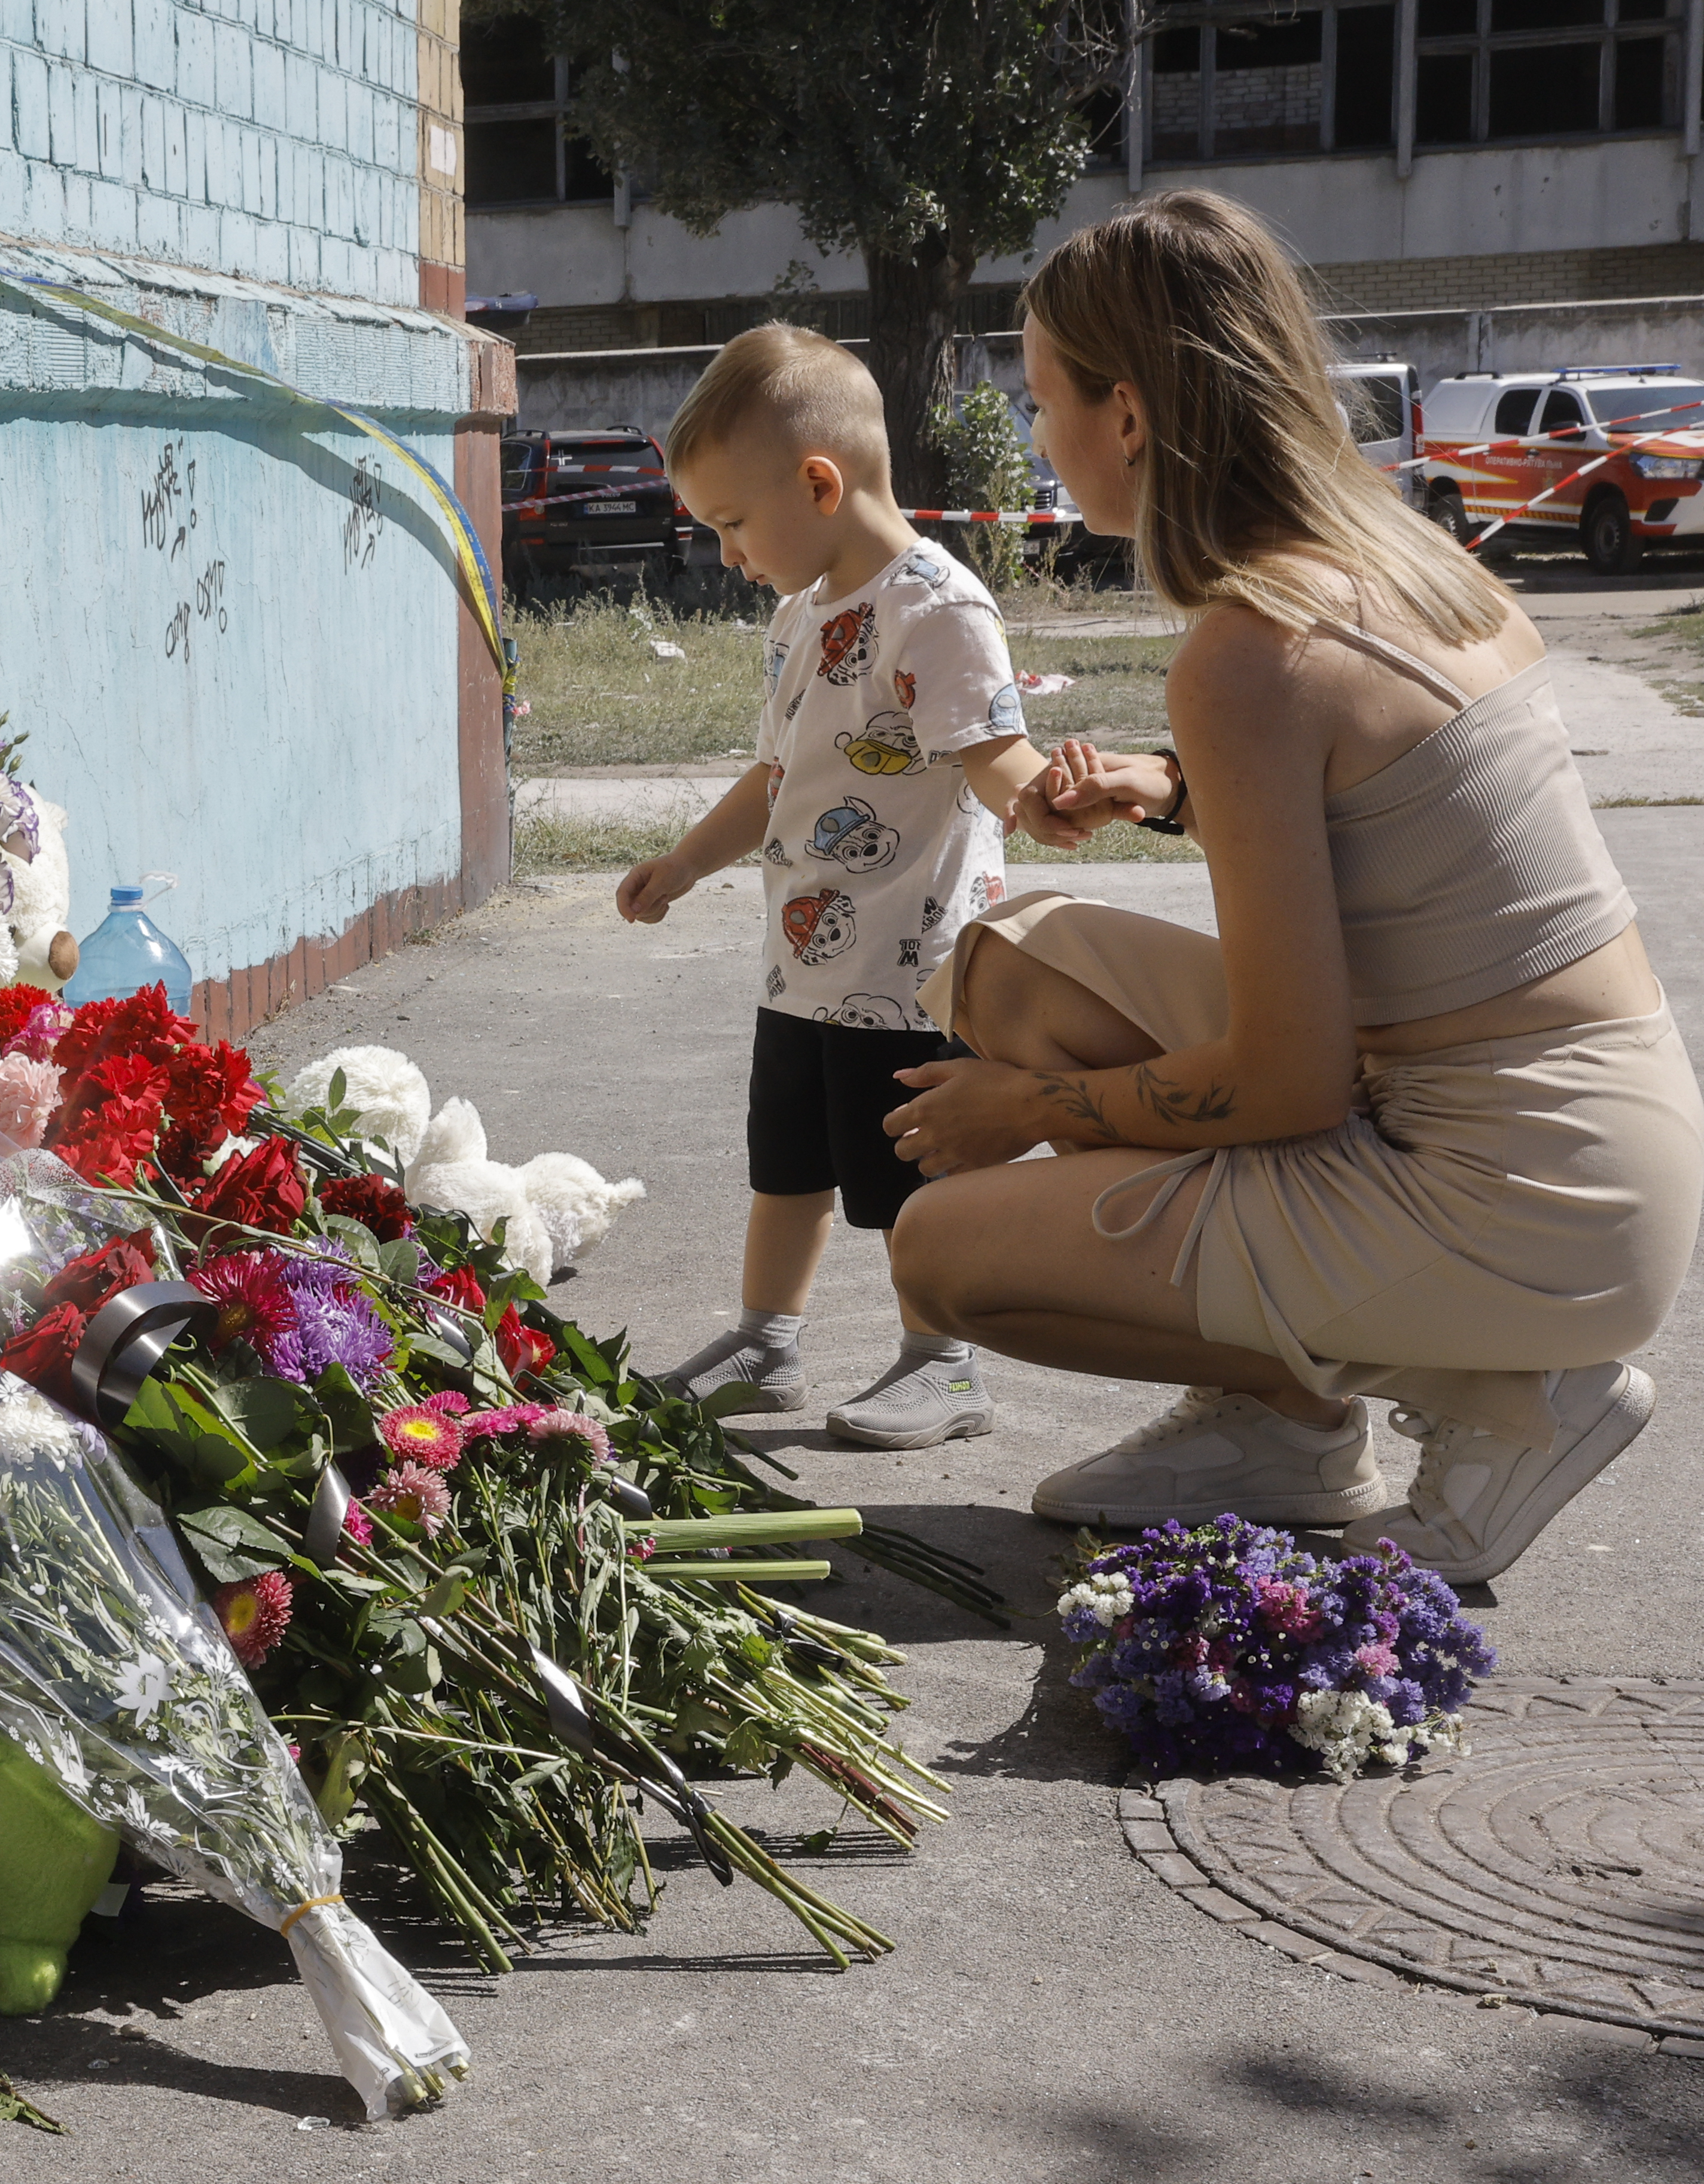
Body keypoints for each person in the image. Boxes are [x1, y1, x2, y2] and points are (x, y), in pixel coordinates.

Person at [880, 189, 1702, 1584]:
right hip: (1593, 1133)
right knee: (1008, 959)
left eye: (1040, 401)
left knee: (941, 1252)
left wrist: (1021, 1112)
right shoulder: (1406, 561)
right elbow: (1401, 824)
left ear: (1126, 414)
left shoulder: (1251, 654)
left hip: (1519, 1197)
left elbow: (1286, 1083)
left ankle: (1507, 1401)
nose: (1036, 435)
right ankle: (1287, 1427)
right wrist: (1165, 787)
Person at [619, 323, 1051, 1450]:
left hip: (914, 972)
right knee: (791, 1163)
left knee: (911, 1179)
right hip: (803, 962)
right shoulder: (802, 612)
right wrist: (684, 862)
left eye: (730, 523)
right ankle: (768, 1343)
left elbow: (996, 758)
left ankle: (944, 1364)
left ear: (819, 483)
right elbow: (777, 776)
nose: (726, 553)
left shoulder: (938, 609)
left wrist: (1054, 797)